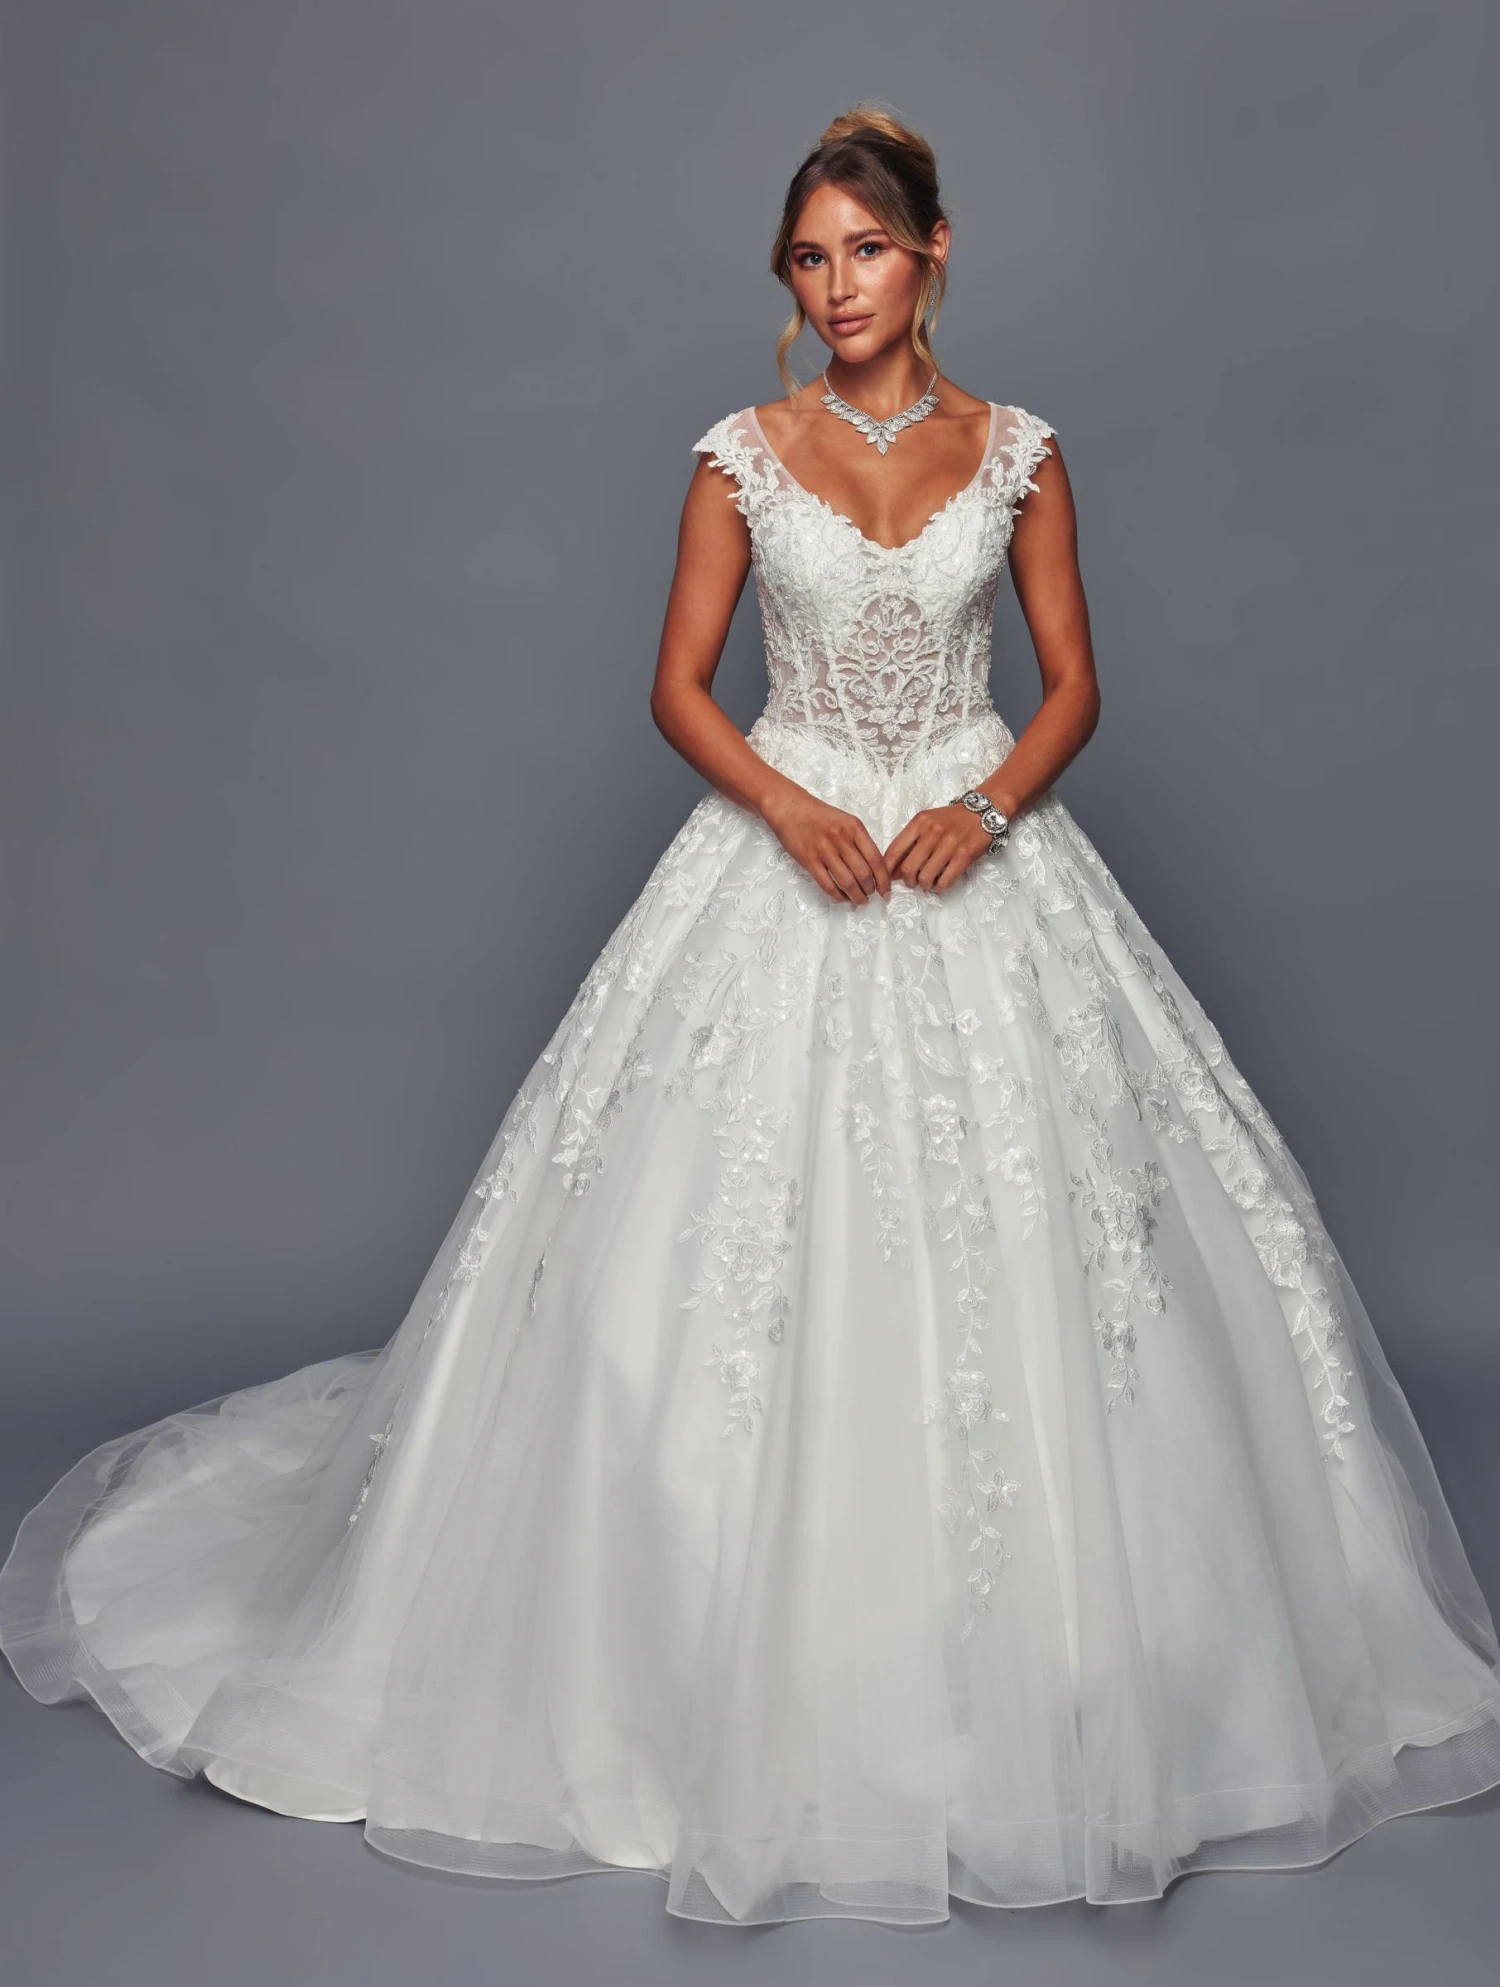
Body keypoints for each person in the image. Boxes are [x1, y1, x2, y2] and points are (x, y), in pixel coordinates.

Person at [3, 103, 1498, 1928]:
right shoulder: (739, 457)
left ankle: (1080, 1686)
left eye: (866, 248)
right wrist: (787, 807)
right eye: (808, 257)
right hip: (789, 845)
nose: (838, 284)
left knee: (1077, 1255)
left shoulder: (1022, 453)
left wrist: (986, 807)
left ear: (932, 253)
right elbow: (678, 684)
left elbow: (1074, 682)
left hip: (970, 844)